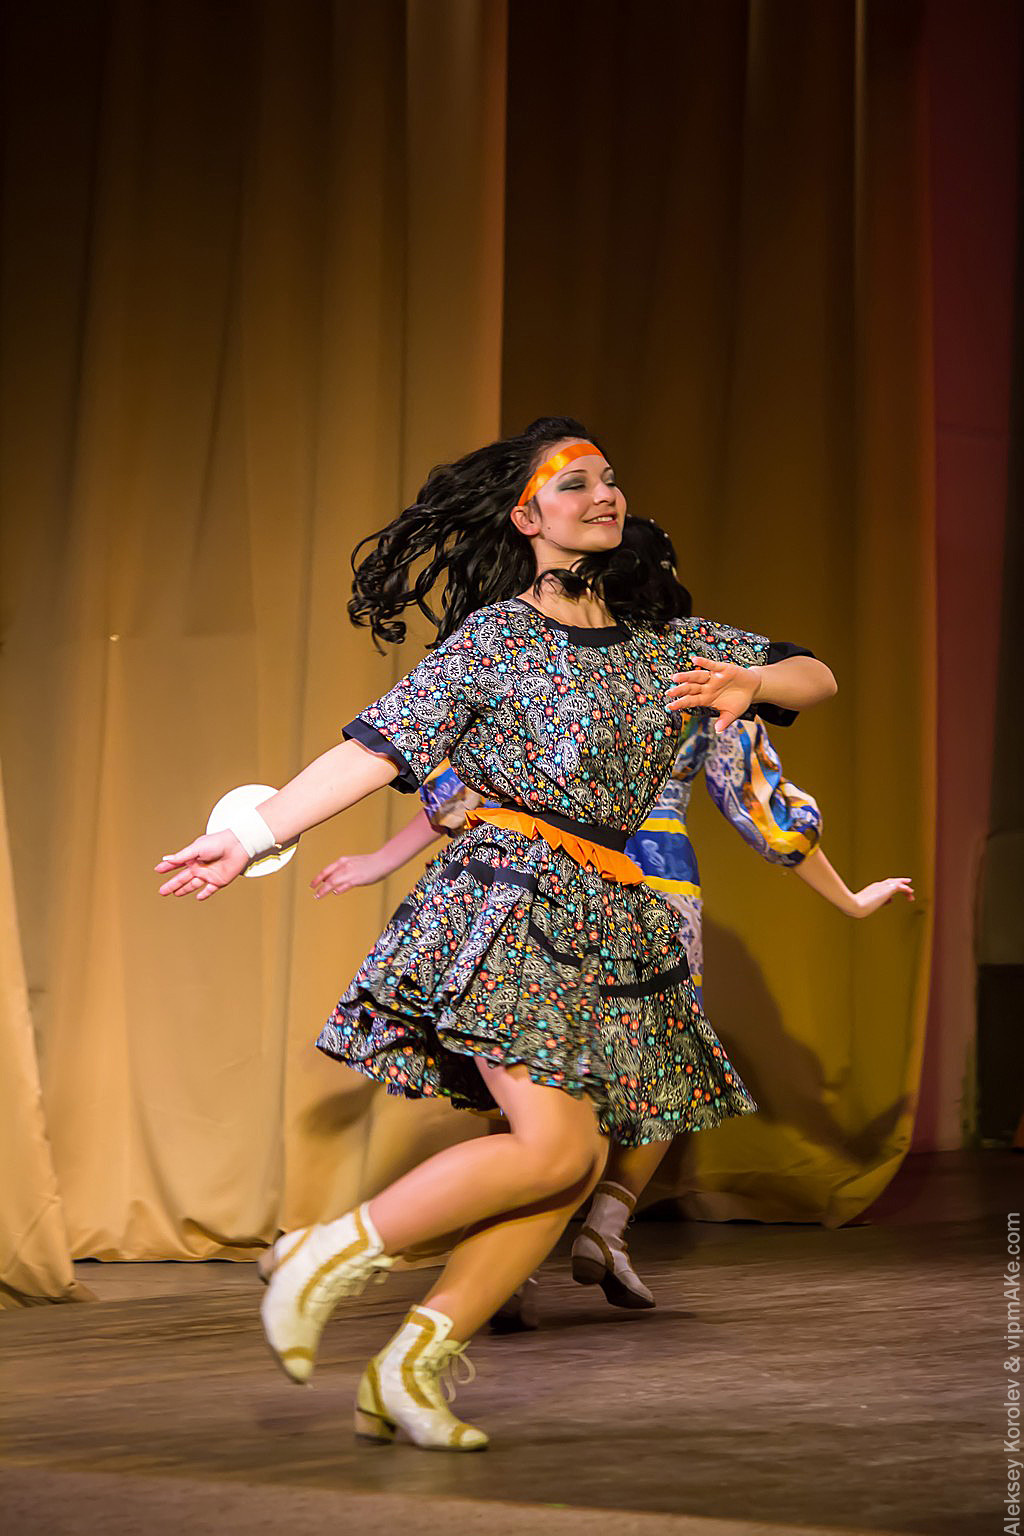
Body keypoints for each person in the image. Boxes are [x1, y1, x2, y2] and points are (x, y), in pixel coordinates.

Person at [157, 418, 837, 1451]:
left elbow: (816, 674)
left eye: (610, 478)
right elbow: (374, 751)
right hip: (509, 896)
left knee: (575, 1160)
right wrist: (252, 834)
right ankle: (321, 1255)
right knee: (558, 1146)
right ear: (527, 518)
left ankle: (410, 1368)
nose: (603, 494)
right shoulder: (495, 642)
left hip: (612, 905)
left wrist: (755, 684)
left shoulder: (670, 644)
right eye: (575, 483)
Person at [310, 518, 912, 1319]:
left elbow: (468, 786)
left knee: (533, 1063)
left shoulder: (609, 667)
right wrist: (849, 898)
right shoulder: (694, 669)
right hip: (656, 881)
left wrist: (380, 861)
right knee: (655, 1064)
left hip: (560, 875)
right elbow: (762, 809)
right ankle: (605, 1226)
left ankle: (510, 1259)